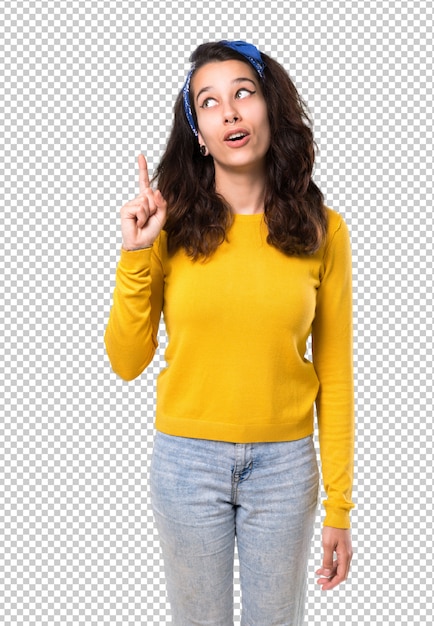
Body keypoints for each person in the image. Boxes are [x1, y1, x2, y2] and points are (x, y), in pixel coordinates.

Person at [105, 40, 354, 626]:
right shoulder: (168, 227)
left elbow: (336, 375)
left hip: (285, 468)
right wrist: (135, 254)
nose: (231, 112)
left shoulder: (325, 230)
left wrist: (339, 508)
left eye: (244, 92)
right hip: (185, 465)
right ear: (199, 131)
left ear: (271, 106)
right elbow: (125, 362)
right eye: (209, 102)